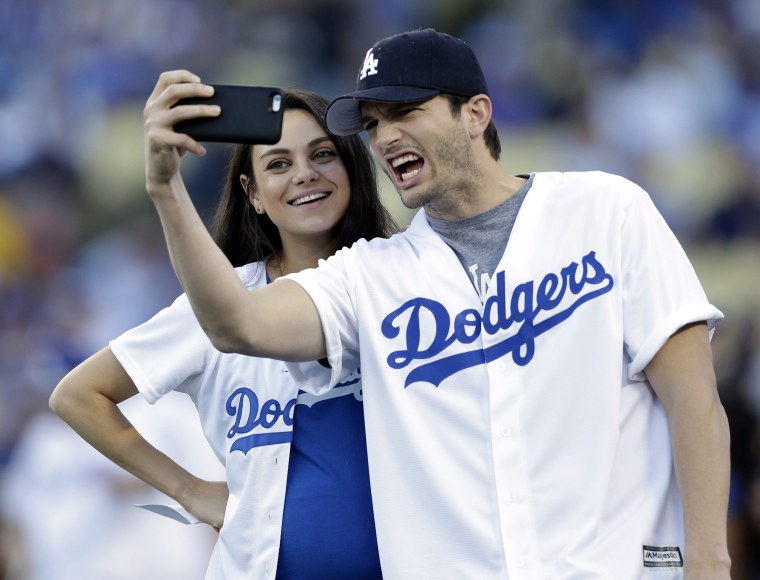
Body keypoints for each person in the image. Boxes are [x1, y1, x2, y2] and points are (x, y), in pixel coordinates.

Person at [138, 29, 732, 579]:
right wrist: (167, 190)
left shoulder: (605, 210)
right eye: (371, 123)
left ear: (475, 113)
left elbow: (692, 396)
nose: (384, 136)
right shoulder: (369, 276)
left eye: (405, 112)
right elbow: (237, 323)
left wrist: (709, 561)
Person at [49, 78, 397, 580]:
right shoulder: (220, 303)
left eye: (323, 155)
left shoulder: (402, 279)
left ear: (352, 168)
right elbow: (78, 395)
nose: (304, 174)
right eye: (278, 164)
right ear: (252, 195)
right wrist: (190, 490)